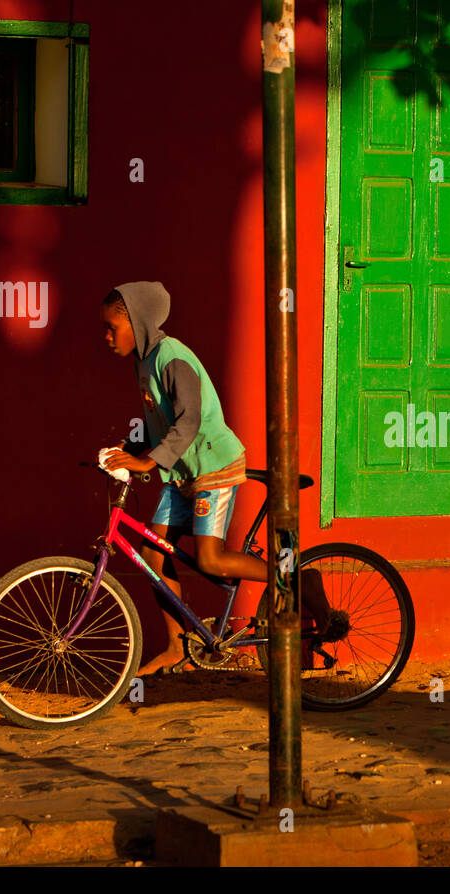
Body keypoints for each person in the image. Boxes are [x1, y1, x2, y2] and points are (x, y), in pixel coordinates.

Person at [97, 282, 331, 676]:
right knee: (154, 555)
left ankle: (298, 580)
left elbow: (189, 419)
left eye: (110, 328)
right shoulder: (143, 361)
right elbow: (162, 420)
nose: (105, 337)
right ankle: (175, 645)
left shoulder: (171, 358)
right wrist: (128, 447)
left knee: (211, 558)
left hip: (212, 468)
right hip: (182, 472)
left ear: (136, 324)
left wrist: (148, 463)